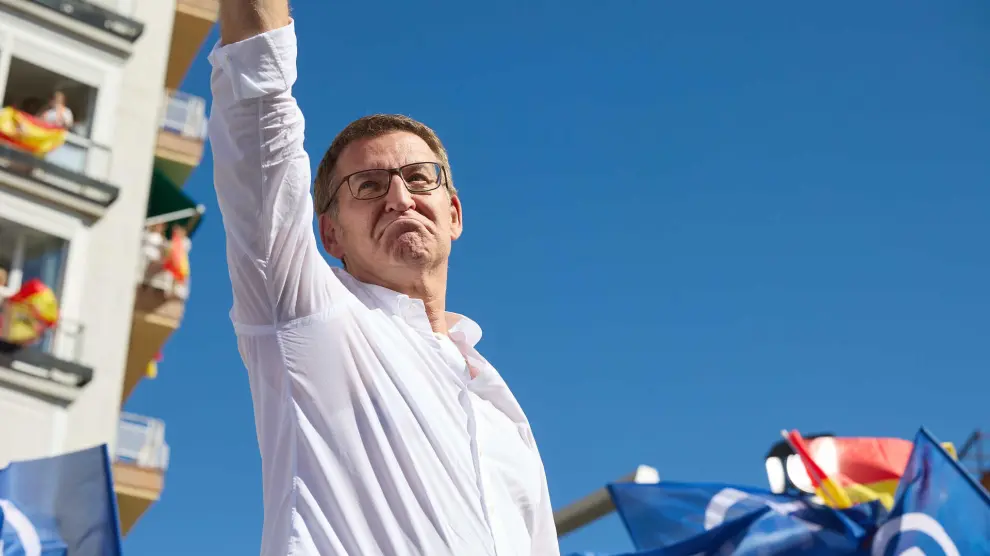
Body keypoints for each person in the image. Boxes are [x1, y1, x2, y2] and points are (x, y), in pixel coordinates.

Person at [210, 2, 559, 555]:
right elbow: (258, 119)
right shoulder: (309, 318)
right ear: (329, 235)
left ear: (454, 214)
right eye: (368, 186)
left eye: (421, 179)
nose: (400, 198)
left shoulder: (500, 407)